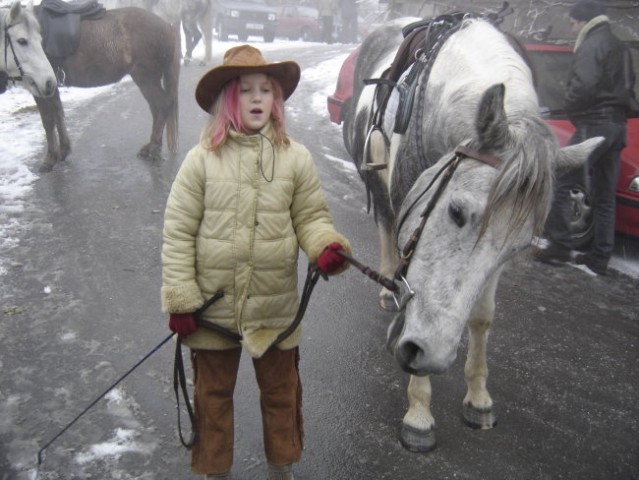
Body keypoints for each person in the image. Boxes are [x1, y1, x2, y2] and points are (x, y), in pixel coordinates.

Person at [161, 44, 352, 480]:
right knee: (212, 398)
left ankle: (280, 470)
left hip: (275, 310)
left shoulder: (295, 158)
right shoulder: (201, 160)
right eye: (246, 90)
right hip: (211, 311)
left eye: (266, 90)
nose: (257, 98)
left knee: (282, 396)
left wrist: (327, 245)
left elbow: (311, 217)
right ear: (228, 98)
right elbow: (177, 232)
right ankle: (215, 472)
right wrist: (180, 298)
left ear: (277, 100)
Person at [534, 0, 632, 275]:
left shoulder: (591, 44)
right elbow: (625, 85)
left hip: (594, 123)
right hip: (617, 125)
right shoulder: (619, 45)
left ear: (584, 21)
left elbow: (583, 86)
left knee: (559, 177)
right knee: (605, 194)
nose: (573, 28)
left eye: (574, 22)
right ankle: (599, 257)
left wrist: (573, 112)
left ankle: (559, 245)